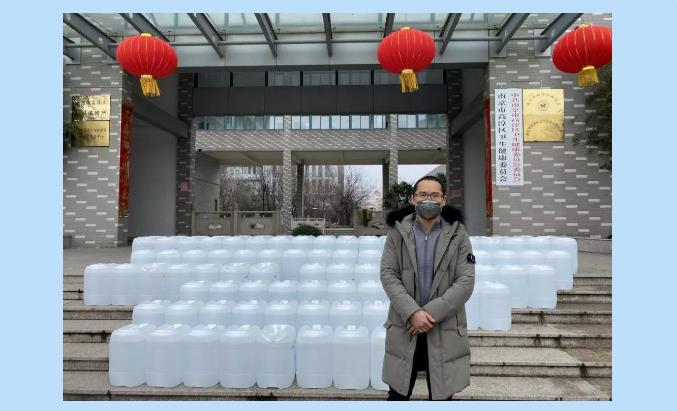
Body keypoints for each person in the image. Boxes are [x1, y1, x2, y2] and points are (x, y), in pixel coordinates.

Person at [380, 175, 476, 400]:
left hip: (444, 326)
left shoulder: (458, 234)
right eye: (423, 195)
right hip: (406, 325)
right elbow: (388, 274)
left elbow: (465, 281)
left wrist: (428, 314)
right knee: (397, 395)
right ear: (413, 199)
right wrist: (413, 313)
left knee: (442, 395)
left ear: (443, 200)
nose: (428, 200)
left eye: (434, 195)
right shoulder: (397, 233)